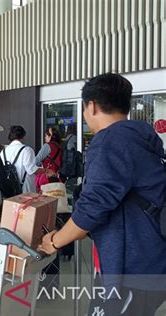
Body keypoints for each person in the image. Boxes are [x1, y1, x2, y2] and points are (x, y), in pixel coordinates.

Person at [38, 73, 166, 315]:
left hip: (133, 270)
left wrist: (54, 241)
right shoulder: (140, 138)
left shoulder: (111, 141)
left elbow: (93, 207)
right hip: (150, 260)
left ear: (92, 106)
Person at [1, 126, 53, 193]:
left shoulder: (3, 151)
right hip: (25, 190)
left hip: (9, 190)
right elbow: (31, 170)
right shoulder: (27, 150)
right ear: (23, 136)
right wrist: (46, 171)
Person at [34, 127, 62, 191]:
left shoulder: (47, 146)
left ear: (50, 137)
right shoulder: (59, 146)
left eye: (46, 135)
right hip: (56, 176)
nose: (45, 137)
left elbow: (36, 161)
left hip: (47, 177)